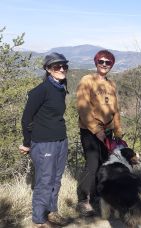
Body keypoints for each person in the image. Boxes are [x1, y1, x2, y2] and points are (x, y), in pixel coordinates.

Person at [19, 53, 70, 228]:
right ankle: (39, 220)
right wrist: (27, 143)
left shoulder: (61, 86)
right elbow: (26, 119)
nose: (62, 69)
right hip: (43, 142)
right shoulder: (41, 91)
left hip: (61, 140)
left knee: (56, 179)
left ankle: (52, 213)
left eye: (64, 66)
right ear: (48, 70)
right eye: (57, 66)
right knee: (45, 180)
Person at [76, 50, 123, 216]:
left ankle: (96, 196)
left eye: (108, 62)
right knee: (92, 164)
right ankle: (84, 200)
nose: (104, 65)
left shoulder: (111, 84)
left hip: (108, 132)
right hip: (90, 131)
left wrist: (118, 131)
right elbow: (83, 107)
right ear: (96, 63)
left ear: (111, 65)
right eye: (101, 61)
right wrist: (96, 130)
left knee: (104, 164)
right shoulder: (87, 80)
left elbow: (115, 110)